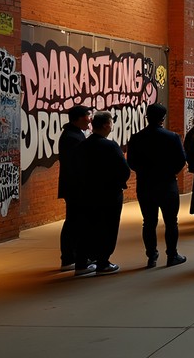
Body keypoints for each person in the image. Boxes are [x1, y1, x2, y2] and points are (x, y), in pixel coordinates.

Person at [127, 103, 188, 268]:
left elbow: (131, 162)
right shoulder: (172, 137)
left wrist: (144, 171)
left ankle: (152, 256)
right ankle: (172, 255)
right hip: (167, 184)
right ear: (163, 118)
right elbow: (181, 160)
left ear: (146, 117)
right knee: (171, 222)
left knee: (148, 222)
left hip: (145, 185)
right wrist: (170, 172)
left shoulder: (136, 138)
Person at [73, 111, 130, 275]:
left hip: (86, 194)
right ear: (106, 125)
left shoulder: (82, 146)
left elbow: (75, 170)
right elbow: (124, 170)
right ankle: (103, 262)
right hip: (109, 194)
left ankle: (81, 264)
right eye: (111, 123)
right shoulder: (110, 146)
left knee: (86, 227)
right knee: (108, 227)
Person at [58, 104, 91, 273]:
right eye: (87, 116)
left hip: (74, 187)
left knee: (73, 221)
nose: (89, 119)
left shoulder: (74, 134)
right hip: (76, 188)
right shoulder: (72, 137)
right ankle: (70, 257)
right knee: (75, 222)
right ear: (78, 118)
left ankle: (71, 257)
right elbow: (77, 165)